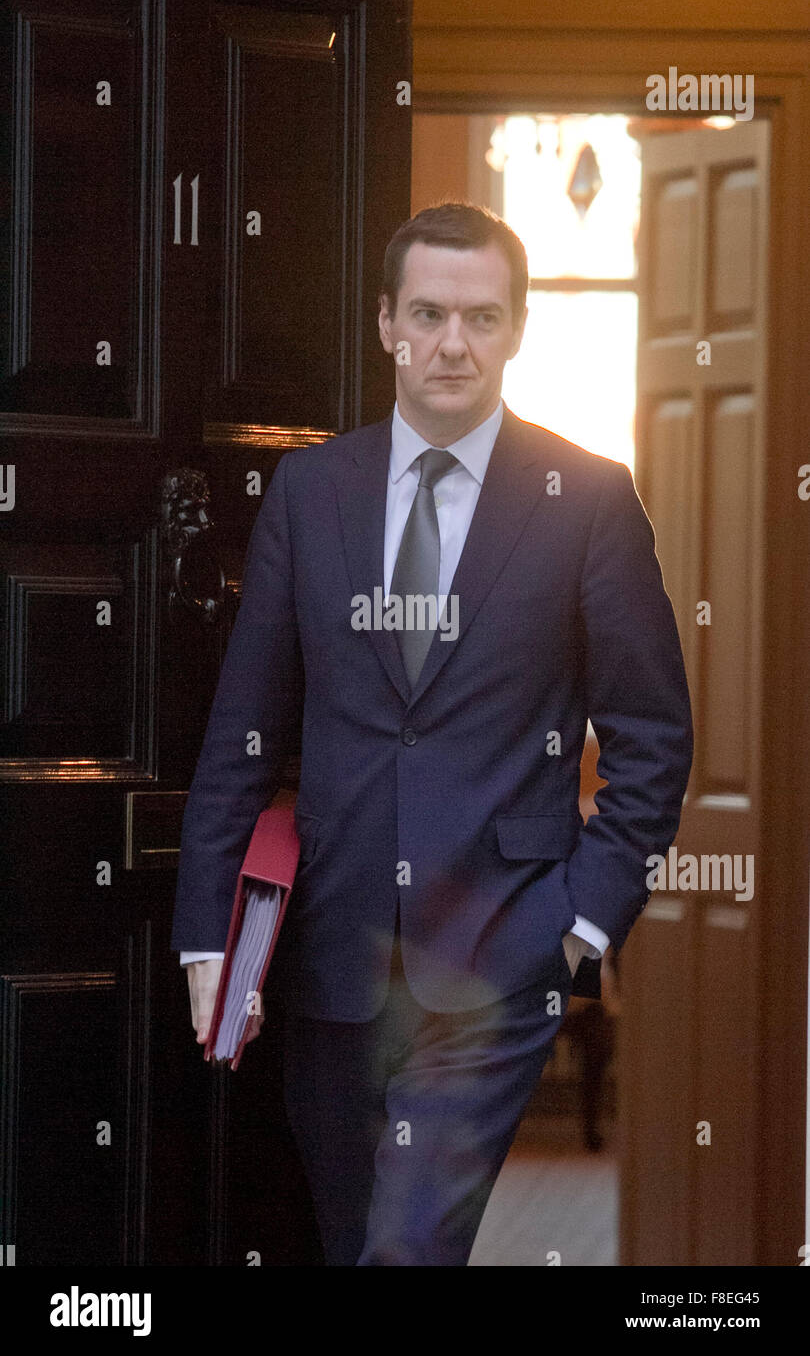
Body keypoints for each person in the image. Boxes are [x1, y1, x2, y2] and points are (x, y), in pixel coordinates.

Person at [172, 202, 693, 1266]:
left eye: (482, 316)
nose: (454, 342)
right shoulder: (311, 492)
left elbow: (651, 736)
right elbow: (245, 729)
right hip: (331, 954)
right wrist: (207, 932)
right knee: (354, 1237)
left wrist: (584, 922)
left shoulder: (588, 498)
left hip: (501, 954)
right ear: (385, 324)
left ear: (516, 330)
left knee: (406, 1247)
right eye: (429, 314)